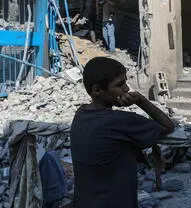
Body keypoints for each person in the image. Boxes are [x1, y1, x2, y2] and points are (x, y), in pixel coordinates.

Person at [70, 57, 175, 208]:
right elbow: (167, 126)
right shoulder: (120, 121)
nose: (126, 89)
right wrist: (141, 101)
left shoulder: (81, 114)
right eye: (120, 85)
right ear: (97, 90)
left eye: (125, 82)